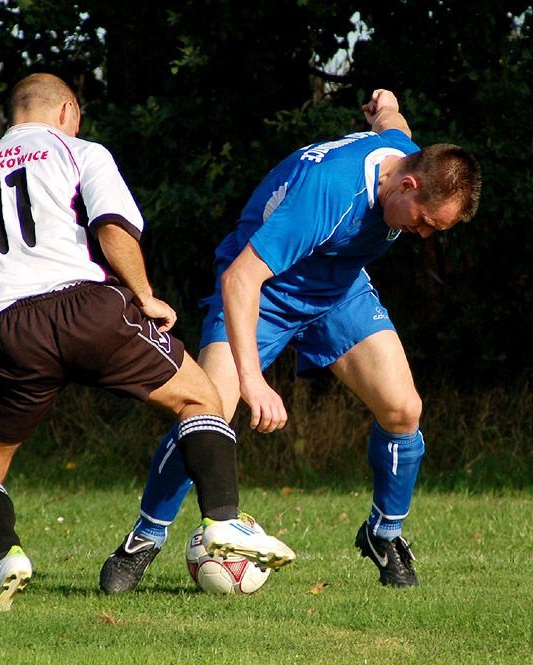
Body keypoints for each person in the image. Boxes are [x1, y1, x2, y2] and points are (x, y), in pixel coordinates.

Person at [0, 73, 296, 610]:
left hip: (11, 329)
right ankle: (223, 522)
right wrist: (145, 295)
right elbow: (113, 227)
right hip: (89, 310)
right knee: (201, 399)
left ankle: (4, 557)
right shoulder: (79, 150)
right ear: (67, 112)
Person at [99, 89, 481, 592]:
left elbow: (396, 125)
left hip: (338, 292)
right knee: (206, 412)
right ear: (407, 185)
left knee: (403, 410)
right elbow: (240, 279)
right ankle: (145, 537)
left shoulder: (402, 154)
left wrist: (384, 104)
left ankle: (384, 534)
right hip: (263, 291)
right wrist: (254, 382)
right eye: (424, 222)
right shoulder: (331, 191)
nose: (423, 234)